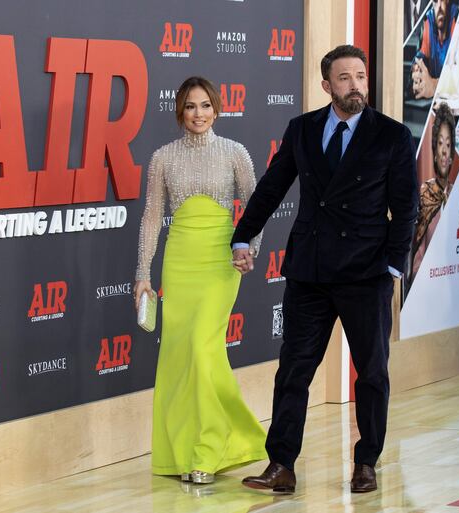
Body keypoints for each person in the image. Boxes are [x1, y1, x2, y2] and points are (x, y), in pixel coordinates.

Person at [232, 45, 418, 494]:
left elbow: (406, 208)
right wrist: (243, 235)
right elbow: (272, 186)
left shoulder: (392, 135)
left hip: (366, 273)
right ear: (326, 85)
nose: (355, 86)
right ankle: (281, 465)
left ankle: (366, 463)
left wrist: (394, 266)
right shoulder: (302, 129)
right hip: (310, 272)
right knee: (293, 371)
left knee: (371, 373)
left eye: (360, 76)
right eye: (345, 78)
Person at [134, 76, 267, 485]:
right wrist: (142, 274)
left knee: (201, 346)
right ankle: (183, 451)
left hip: (219, 260)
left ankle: (208, 451)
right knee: (180, 355)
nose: (199, 114)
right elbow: (151, 218)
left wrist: (249, 248)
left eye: (206, 105)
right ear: (180, 110)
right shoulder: (162, 158)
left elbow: (257, 205)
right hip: (180, 261)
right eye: (191, 106)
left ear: (217, 109)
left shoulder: (234, 152)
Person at [410, 102, 456, 283]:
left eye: (448, 144)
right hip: (428, 282)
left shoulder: (457, 193)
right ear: (434, 151)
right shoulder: (425, 193)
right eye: (440, 143)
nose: (444, 151)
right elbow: (417, 255)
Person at [412, 0, 459, 99]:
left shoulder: (456, 19)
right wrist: (417, 69)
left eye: (442, 1)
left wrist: (435, 85)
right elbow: (422, 54)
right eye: (435, 1)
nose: (439, 7)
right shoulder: (430, 20)